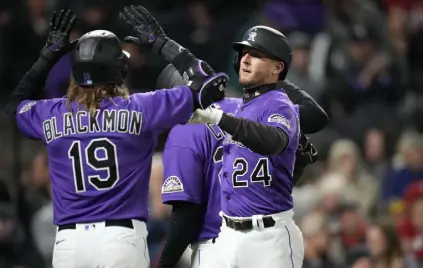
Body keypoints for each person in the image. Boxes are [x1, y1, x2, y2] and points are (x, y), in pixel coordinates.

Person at [4, 9, 229, 268]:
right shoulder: (142, 107)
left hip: (69, 244)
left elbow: (16, 105)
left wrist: (49, 54)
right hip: (120, 239)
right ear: (120, 70)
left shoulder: (50, 113)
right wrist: (161, 43)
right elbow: (208, 84)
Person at [119, 5, 322, 267]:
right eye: (245, 54)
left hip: (224, 242)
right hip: (232, 234)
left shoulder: (191, 128)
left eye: (256, 55)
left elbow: (185, 213)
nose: (245, 60)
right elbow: (315, 118)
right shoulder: (242, 107)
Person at [155, 64, 326, 268]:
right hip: (267, 238)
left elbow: (186, 214)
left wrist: (163, 264)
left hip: (215, 248)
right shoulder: (250, 107)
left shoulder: (184, 131)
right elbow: (315, 117)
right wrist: (270, 72)